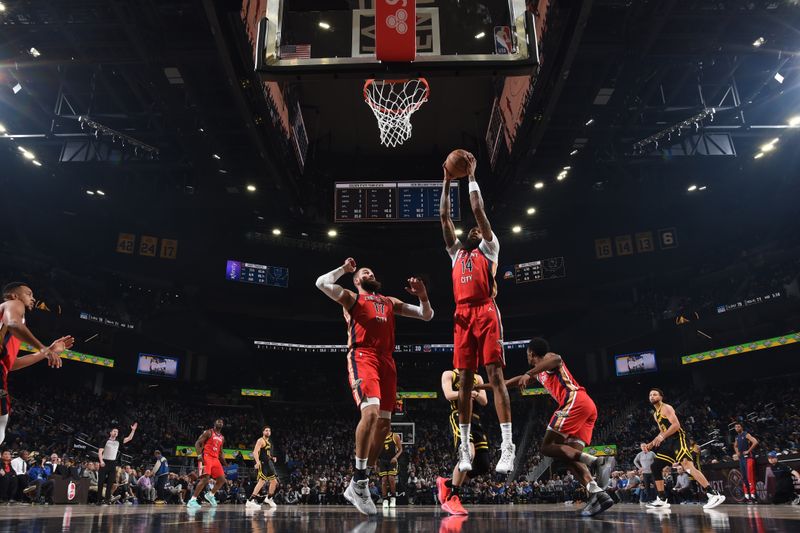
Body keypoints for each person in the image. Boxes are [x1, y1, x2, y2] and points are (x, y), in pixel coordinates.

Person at [315, 258, 433, 515]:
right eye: (362, 272)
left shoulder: (389, 301)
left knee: (384, 424)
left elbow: (427, 315)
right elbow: (321, 283)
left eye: (371, 270)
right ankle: (358, 476)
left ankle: (359, 482)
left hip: (387, 361)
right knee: (369, 413)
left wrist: (423, 296)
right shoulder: (351, 298)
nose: (368, 272)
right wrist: (344, 270)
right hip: (363, 356)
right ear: (357, 281)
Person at [439, 153, 515, 474]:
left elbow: (478, 210)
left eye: (477, 230)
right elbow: (444, 217)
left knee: (495, 377)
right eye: (469, 231)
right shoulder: (456, 255)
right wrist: (445, 179)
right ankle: (464, 448)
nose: (473, 231)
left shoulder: (490, 247)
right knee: (466, 383)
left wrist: (470, 176)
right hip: (461, 316)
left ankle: (507, 446)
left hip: (484, 310)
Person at [493, 338, 613, 517]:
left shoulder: (547, 360)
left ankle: (598, 461)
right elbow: (509, 382)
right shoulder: (538, 372)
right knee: (568, 457)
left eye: (527, 354)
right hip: (586, 408)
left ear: (531, 353)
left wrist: (528, 373)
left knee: (546, 447)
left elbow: (556, 359)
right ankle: (598, 495)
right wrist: (480, 387)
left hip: (575, 401)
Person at [0, 282, 74, 445]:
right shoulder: (14, 304)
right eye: (29, 294)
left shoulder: (11, 327)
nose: (33, 298)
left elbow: (11, 365)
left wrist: (48, 350)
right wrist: (45, 350)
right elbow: (14, 324)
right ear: (15, 295)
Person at [645, 388, 725, 509]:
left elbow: (676, 425)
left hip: (679, 438)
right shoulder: (655, 414)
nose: (652, 396)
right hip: (669, 442)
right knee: (655, 466)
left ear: (661, 397)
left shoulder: (666, 408)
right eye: (650, 395)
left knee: (687, 465)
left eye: (655, 394)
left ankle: (713, 494)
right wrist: (651, 444)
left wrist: (662, 436)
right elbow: (663, 431)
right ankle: (661, 499)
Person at [437, 368, 489, 516]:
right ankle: (453, 497)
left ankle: (446, 483)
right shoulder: (449, 374)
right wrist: (467, 393)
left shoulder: (477, 378)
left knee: (483, 465)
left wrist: (475, 393)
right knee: (469, 454)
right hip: (458, 416)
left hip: (476, 419)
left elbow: (484, 401)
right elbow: (448, 395)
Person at [187, 418, 228, 508]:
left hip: (216, 459)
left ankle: (210, 495)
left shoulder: (222, 437)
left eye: (221, 422)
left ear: (223, 425)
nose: (220, 422)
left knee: (222, 480)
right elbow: (197, 443)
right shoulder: (209, 432)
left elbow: (220, 453)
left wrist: (226, 464)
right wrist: (199, 455)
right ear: (214, 423)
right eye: (218, 421)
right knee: (205, 478)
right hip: (207, 457)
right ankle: (192, 500)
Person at [97, 423, 137, 505]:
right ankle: (99, 500)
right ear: (110, 432)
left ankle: (107, 500)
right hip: (104, 462)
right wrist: (101, 461)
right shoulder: (105, 441)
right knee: (100, 482)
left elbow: (129, 438)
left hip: (112, 463)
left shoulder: (118, 441)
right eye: (114, 431)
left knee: (110, 483)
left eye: (117, 432)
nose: (116, 433)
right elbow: (100, 452)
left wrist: (133, 430)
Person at [246, 425, 279, 509]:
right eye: (266, 430)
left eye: (269, 431)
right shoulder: (260, 440)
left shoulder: (268, 442)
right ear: (263, 432)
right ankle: (250, 500)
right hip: (263, 464)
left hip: (269, 463)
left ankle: (269, 498)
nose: (268, 432)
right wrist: (257, 462)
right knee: (262, 481)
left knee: (274, 482)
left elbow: (266, 454)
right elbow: (255, 452)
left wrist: (272, 458)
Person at [733, 422, 759, 503]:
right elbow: (735, 446)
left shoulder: (746, 434)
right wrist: (737, 452)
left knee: (750, 477)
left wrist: (748, 450)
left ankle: (753, 495)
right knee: (744, 477)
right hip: (741, 459)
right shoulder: (737, 437)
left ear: (741, 427)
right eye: (736, 427)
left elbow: (755, 442)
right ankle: (747, 496)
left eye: (738, 427)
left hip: (748, 458)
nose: (737, 428)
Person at [377, 429, 402, 508]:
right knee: (384, 480)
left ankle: (393, 498)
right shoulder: (379, 437)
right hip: (382, 460)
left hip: (392, 460)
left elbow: (400, 449)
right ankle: (385, 499)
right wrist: (375, 463)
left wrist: (395, 457)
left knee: (391, 478)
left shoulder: (395, 436)